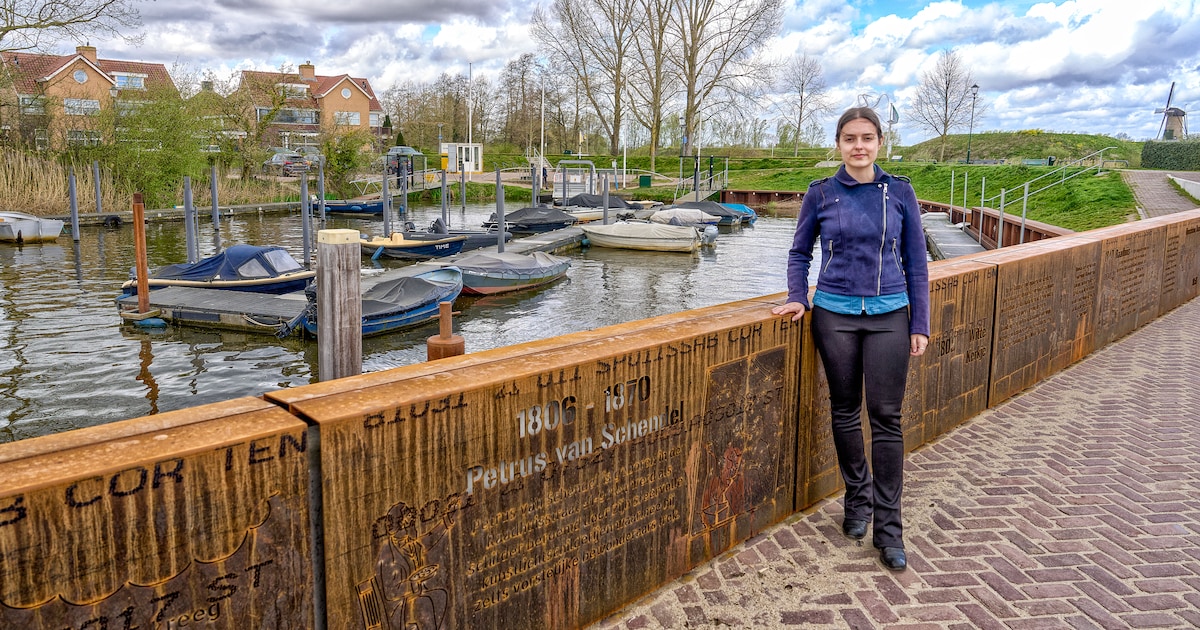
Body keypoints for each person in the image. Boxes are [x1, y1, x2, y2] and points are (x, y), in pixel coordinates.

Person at [771, 106, 929, 571]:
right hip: (834, 314)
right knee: (843, 410)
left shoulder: (900, 191)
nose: (858, 146)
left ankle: (890, 529)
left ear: (880, 142)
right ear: (838, 145)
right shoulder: (821, 193)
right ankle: (856, 501)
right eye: (849, 138)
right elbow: (800, 251)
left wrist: (918, 323)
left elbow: (917, 263)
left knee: (886, 418)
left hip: (889, 315)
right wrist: (798, 296)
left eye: (867, 137)